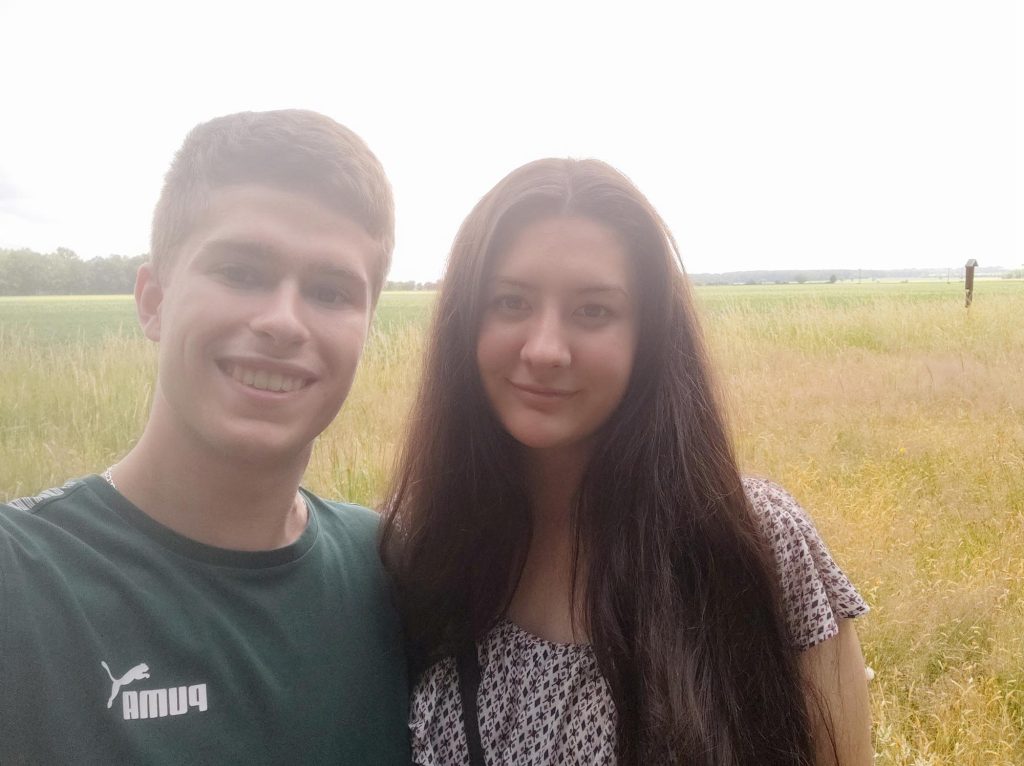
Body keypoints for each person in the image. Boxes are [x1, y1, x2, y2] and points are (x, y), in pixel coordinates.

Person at [381, 158, 873, 765]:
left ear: (649, 337)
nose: (545, 349)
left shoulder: (756, 542)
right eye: (510, 302)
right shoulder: (417, 550)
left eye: (593, 311)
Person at [0, 110, 409, 764]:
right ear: (153, 301)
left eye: (331, 292)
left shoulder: (390, 571)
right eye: (242, 272)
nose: (283, 321)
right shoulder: (22, 582)